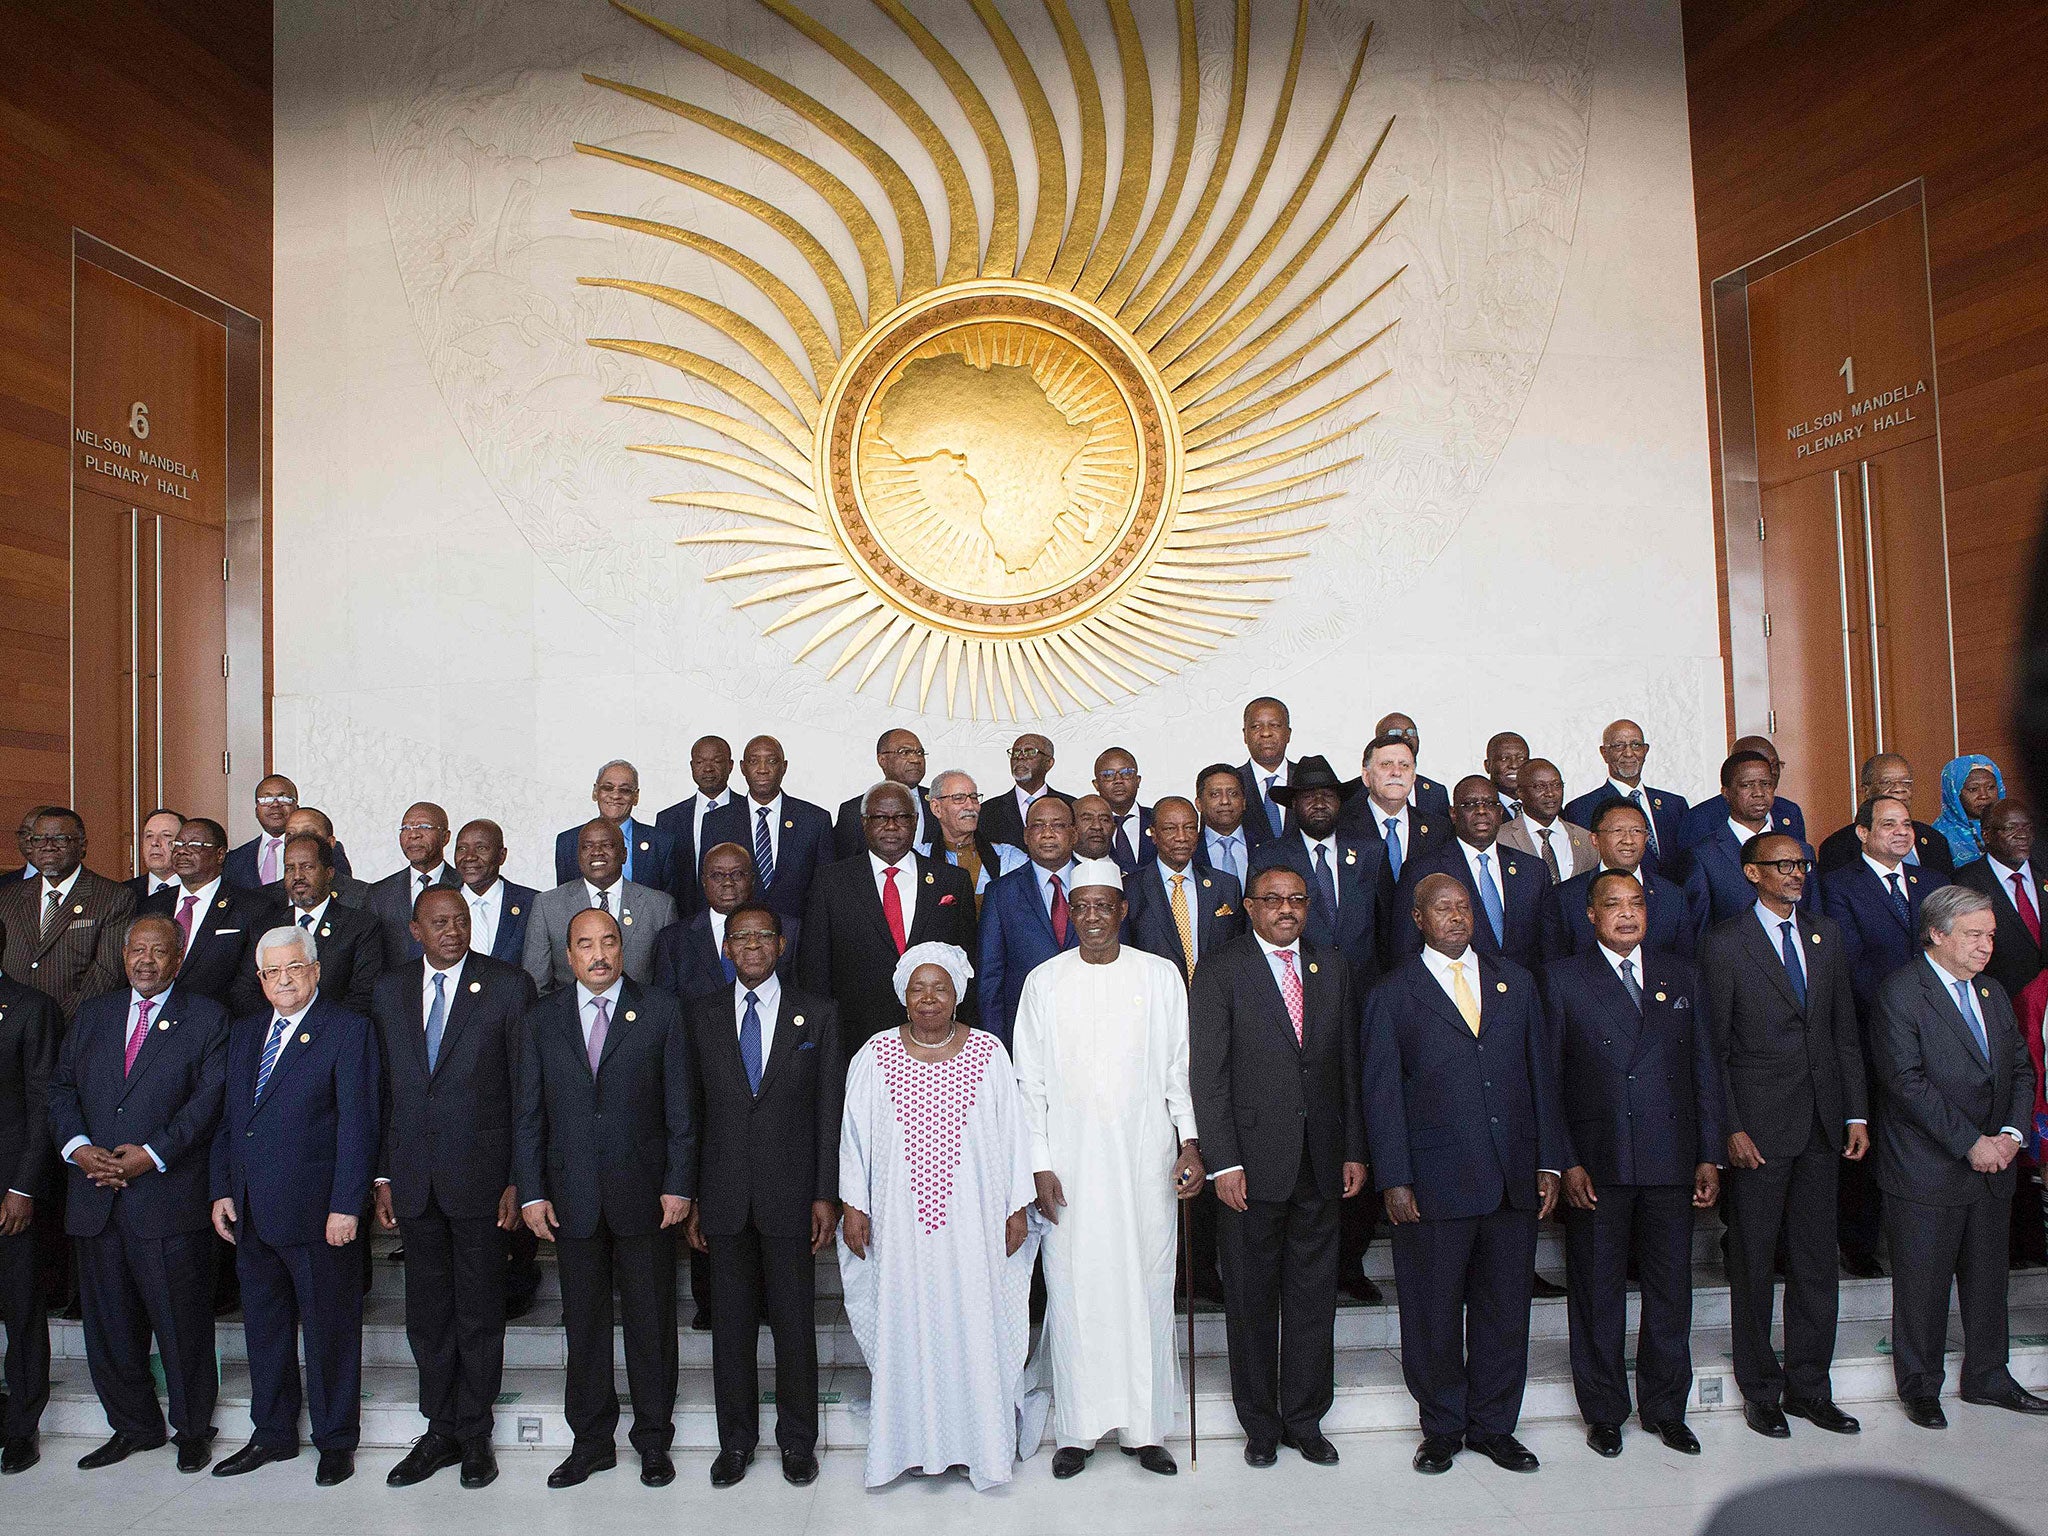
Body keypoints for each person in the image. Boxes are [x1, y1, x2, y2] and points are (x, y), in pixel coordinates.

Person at [1362, 874, 1563, 1475]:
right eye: (1441, 909)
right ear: (1418, 918)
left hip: (1509, 1178)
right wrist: (1394, 1177)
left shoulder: (1515, 981)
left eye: (1463, 907)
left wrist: (1548, 1161)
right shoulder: (1393, 991)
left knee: (1506, 1310)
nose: (1455, 917)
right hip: (1431, 1182)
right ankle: (1443, 1426)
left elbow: (1540, 1078)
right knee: (1433, 1311)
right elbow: (1381, 1093)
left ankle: (1496, 1426)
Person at [1013, 859, 1202, 1478]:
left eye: (1105, 905)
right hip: (1069, 1167)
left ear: (1123, 910)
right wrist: (1037, 1165)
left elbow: (1179, 1070)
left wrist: (1191, 1143)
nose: (1093, 917)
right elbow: (1029, 1083)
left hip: (1147, 1162)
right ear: (1071, 910)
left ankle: (1145, 1430)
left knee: (1148, 1287)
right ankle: (1077, 1429)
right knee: (1073, 1292)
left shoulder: (1161, 975)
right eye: (1083, 905)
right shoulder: (1044, 981)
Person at [838, 942, 1039, 1491]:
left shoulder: (990, 1053)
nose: (929, 999)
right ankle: (904, 1446)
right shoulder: (875, 1054)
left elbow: (1013, 1136)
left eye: (940, 988)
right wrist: (855, 1203)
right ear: (903, 994)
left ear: (958, 995)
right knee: (905, 1322)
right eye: (918, 988)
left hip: (974, 1222)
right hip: (898, 1227)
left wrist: (1017, 1205)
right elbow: (853, 1137)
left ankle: (978, 1446)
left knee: (975, 1321)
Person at [1189, 864, 1364, 1467]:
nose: (1286, 910)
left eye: (1296, 900)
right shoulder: (1219, 970)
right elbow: (1207, 1076)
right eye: (1273, 900)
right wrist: (1223, 1161)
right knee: (1251, 1297)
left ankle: (1306, 1419)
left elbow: (1345, 1067)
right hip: (1251, 1167)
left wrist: (1352, 1148)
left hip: (1320, 1161)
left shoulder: (1332, 965)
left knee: (1314, 1297)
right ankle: (1261, 1425)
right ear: (1249, 905)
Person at [515, 908, 693, 1489]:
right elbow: (528, 1115)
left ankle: (653, 1442)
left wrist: (679, 1182)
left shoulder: (662, 1009)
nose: (598, 954)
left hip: (645, 1194)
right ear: (567, 956)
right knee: (583, 1325)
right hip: (571, 1197)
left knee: (651, 1323)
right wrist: (533, 1191)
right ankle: (591, 1442)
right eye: (584, 944)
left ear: (624, 947)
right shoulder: (541, 1020)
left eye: (608, 942)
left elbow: (681, 1109)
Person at [1544, 872, 1720, 1458]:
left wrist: (1708, 1154)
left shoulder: (1681, 973)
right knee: (1597, 1293)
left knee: (1671, 1290)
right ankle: (1604, 1412)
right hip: (1598, 1164)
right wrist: (1564, 1162)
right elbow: (1547, 1084)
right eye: (1612, 905)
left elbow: (1704, 1072)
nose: (1626, 914)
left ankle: (1666, 1408)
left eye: (1636, 903)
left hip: (1671, 1160)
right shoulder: (1563, 979)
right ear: (1590, 916)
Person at [1700, 832, 1867, 1439]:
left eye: (1800, 864)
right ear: (1752, 873)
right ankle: (1761, 1390)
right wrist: (1731, 1126)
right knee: (1752, 1264)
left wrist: (1855, 1113)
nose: (1796, 873)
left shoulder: (1825, 934)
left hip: (1823, 1124)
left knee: (1816, 1264)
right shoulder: (1723, 943)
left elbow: (1842, 1029)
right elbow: (1712, 1050)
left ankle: (1809, 1389)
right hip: (1759, 1132)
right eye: (1782, 865)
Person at [371, 888, 537, 1489]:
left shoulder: (507, 985)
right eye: (439, 922)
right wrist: (384, 1174)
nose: (452, 931)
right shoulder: (388, 991)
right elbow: (385, 1090)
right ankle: (439, 1427)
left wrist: (520, 1177)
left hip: (484, 1180)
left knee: (479, 1310)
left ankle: (475, 1433)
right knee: (427, 1313)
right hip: (415, 1180)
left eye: (460, 920)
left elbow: (526, 1092)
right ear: (415, 930)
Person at [209, 924, 380, 1486]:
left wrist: (346, 1205)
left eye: (294, 969)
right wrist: (222, 1189)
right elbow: (230, 1121)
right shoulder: (244, 1032)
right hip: (252, 1212)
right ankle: (274, 1433)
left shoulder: (346, 1029)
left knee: (330, 1331)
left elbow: (359, 1123)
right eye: (272, 972)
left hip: (318, 1212)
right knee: (265, 1328)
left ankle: (335, 1440)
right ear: (260, 981)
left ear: (315, 970)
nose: (283, 980)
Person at [1871, 885, 2048, 1426]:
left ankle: (1988, 1376)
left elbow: (2021, 1069)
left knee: (1988, 1279)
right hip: (1928, 1168)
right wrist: (1972, 1142)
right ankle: (1921, 1386)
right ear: (1937, 934)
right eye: (1973, 935)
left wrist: (2013, 1136)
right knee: (1922, 1283)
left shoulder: (1993, 993)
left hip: (1995, 1164)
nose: (1985, 946)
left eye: (1990, 935)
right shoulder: (1901, 993)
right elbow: (1906, 1082)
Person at [53, 915, 224, 1474]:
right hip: (95, 1194)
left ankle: (192, 1429)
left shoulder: (206, 1017)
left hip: (166, 1197)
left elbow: (207, 1102)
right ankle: (134, 1427)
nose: (146, 961)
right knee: (108, 1326)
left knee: (181, 1325)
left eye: (158, 951)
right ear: (124, 956)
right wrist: (79, 1148)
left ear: (178, 957)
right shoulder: (95, 1014)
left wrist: (150, 1154)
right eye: (137, 951)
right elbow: (59, 1088)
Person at [683, 904, 842, 1489]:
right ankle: (736, 1444)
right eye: (740, 937)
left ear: (782, 945)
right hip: (722, 1197)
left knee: (795, 1327)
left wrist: (827, 1193)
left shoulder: (818, 1015)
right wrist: (693, 1193)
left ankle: (798, 1445)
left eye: (763, 937)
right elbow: (690, 1113)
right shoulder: (698, 1015)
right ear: (726, 948)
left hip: (793, 1195)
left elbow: (830, 1112)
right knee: (731, 1330)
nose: (751, 946)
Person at [1126, 796, 1244, 1303]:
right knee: (1163, 1147)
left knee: (1211, 1141)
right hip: (1153, 1040)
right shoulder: (1132, 890)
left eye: (1187, 828)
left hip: (1215, 1037)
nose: (1179, 836)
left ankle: (1204, 1268)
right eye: (1168, 828)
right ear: (1152, 833)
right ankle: (1166, 1269)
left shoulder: (1226, 887)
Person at [1822, 796, 1946, 1278]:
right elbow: (1849, 962)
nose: (1900, 832)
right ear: (1862, 833)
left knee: (1927, 1134)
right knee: (1866, 1138)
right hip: (1869, 1030)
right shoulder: (1837, 885)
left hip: (1935, 1033)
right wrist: (1904, 1013)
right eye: (1888, 824)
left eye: (1906, 824)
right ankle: (1859, 1244)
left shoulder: (1931, 883)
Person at [800, 782, 977, 1054]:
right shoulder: (831, 882)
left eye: (902, 817)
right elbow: (816, 971)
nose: (891, 826)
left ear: (916, 821)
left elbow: (968, 966)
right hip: (855, 1038)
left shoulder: (951, 882)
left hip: (937, 1039)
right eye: (880, 818)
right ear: (864, 823)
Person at [1249, 754, 1387, 998]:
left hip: (1365, 990)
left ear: (1340, 802)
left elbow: (1386, 927)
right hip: (1299, 989)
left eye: (1328, 795)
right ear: (1293, 804)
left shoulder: (1371, 851)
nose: (1320, 803)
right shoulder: (1270, 857)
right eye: (1309, 796)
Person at [0, 916, 57, 1473]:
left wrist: (23, 1186)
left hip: (8, 1192)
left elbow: (43, 1108)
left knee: (20, 1311)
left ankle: (21, 1427)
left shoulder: (28, 1008)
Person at [1391, 774, 1551, 973]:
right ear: (1453, 813)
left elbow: (1549, 948)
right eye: (1469, 804)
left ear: (1500, 812)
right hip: (1455, 991)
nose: (1481, 811)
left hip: (1522, 994)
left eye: (1490, 804)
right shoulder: (1422, 870)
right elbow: (1406, 948)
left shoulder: (1533, 870)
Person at [0, 806, 132, 1018]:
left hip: (74, 1026)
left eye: (60, 839)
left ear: (82, 846)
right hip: (13, 1028)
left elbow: (107, 974)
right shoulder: (7, 897)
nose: (48, 847)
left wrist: (53, 1021)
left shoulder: (113, 897)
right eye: (39, 839)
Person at [523, 819, 677, 993]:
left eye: (607, 845)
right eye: (587, 847)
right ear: (578, 855)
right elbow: (535, 985)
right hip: (569, 1017)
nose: (597, 852)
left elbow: (668, 987)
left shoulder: (660, 906)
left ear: (624, 854)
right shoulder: (547, 905)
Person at [137, 818, 270, 1018]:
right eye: (179, 844)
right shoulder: (153, 905)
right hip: (154, 1021)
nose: (182, 851)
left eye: (195, 845)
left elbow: (249, 983)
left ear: (220, 854)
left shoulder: (251, 907)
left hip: (221, 1022)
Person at [1541, 799, 1703, 962]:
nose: (1628, 840)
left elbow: (1685, 966)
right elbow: (1555, 969)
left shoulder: (1672, 896)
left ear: (1646, 838)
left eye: (1636, 831)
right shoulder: (1565, 897)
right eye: (1618, 831)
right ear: (1594, 839)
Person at [977, 797, 1080, 1045]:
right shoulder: (1001, 893)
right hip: (1025, 1033)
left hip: (1089, 1027)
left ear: (1074, 834)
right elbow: (990, 979)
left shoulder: (1097, 885)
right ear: (1025, 835)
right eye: (1038, 825)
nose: (1047, 834)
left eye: (1058, 825)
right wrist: (998, 1048)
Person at [701, 735, 834, 921]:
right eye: (754, 761)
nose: (762, 769)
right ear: (742, 768)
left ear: (784, 767)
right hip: (737, 937)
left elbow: (826, 890)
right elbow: (708, 885)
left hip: (799, 935)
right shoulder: (716, 821)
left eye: (771, 761)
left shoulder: (814, 820)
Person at [652, 841, 801, 1002]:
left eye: (737, 874)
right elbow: (666, 1006)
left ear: (752, 879)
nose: (728, 883)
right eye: (717, 875)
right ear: (703, 881)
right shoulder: (673, 939)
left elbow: (802, 997)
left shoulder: (789, 930)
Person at [1686, 751, 1817, 926]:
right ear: (1726, 793)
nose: (1759, 793)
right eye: (1747, 785)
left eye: (1766, 784)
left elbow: (1815, 920)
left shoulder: (1802, 850)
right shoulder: (1704, 856)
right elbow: (1700, 930)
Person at [1562, 719, 1691, 881]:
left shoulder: (1674, 804)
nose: (1629, 753)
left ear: (1645, 751)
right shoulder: (1581, 808)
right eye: (1619, 746)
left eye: (1636, 745)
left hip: (1669, 899)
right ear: (1604, 753)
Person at [277, 833, 383, 1015]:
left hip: (334, 1035)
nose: (297, 876)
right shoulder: (268, 926)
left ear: (329, 873)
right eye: (289, 869)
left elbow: (363, 994)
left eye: (307, 867)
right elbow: (246, 989)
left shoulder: (360, 926)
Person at [1335, 731, 1448, 885]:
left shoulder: (1439, 830)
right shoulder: (1341, 826)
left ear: (1414, 776)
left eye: (1405, 765)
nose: (1396, 772)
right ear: (1366, 777)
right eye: (1386, 764)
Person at [1816, 755, 1955, 876]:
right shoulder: (1837, 847)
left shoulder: (1934, 839)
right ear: (1866, 790)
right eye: (1887, 782)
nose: (1899, 789)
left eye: (1906, 783)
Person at [552, 759, 678, 893]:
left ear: (636, 797)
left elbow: (668, 905)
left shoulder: (662, 843)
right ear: (595, 792)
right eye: (608, 788)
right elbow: (565, 900)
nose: (616, 795)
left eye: (625, 790)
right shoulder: (568, 842)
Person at [364, 803, 460, 969]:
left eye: (424, 826)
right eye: (405, 828)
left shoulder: (463, 885)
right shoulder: (379, 894)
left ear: (445, 837)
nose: (413, 834)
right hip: (398, 990)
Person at [653, 734, 737, 915]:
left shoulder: (747, 811)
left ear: (730, 765)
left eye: (716, 761)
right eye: (700, 762)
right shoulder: (668, 819)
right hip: (685, 916)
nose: (708, 769)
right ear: (691, 767)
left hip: (737, 914)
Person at [1678, 736, 1807, 851]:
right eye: (1747, 784)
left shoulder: (1789, 811)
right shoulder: (1700, 818)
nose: (1772, 772)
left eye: (1774, 765)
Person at [832, 728, 940, 857]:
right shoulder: (853, 810)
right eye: (905, 752)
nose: (915, 759)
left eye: (919, 752)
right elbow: (844, 866)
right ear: (882, 760)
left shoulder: (941, 802)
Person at [927, 768, 1025, 909]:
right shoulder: (921, 858)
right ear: (936, 808)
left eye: (974, 797)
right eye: (959, 798)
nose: (970, 806)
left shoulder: (1009, 859)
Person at [451, 818, 534, 965]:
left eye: (481, 848)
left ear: (502, 855)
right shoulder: (442, 904)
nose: (469, 856)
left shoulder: (533, 903)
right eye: (462, 848)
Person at [1497, 759, 1594, 882]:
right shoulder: (1500, 838)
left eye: (1556, 785)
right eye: (1540, 786)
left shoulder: (1586, 839)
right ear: (1520, 792)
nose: (1550, 793)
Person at [978, 733, 1074, 852]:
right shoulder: (988, 811)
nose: (1020, 757)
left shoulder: (1071, 806)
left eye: (1029, 752)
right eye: (1016, 752)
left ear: (1049, 763)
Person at [1236, 696, 1297, 846]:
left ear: (1288, 734)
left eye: (1275, 725)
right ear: (1245, 735)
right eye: (1256, 726)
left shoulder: (1307, 780)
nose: (1265, 733)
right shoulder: (1232, 784)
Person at [224, 775, 300, 890]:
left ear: (297, 807)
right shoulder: (233, 860)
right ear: (256, 811)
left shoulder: (317, 851)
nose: (275, 804)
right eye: (266, 800)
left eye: (284, 798)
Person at [280, 808, 366, 906]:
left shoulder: (361, 896)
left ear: (331, 843)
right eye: (290, 835)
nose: (299, 841)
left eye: (309, 833)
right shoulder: (265, 899)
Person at [1933, 754, 2006, 867]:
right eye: (1973, 789)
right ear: (1954, 794)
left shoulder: (2012, 826)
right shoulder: (1937, 837)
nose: (1984, 796)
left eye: (1991, 787)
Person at [1375, 712, 1450, 819]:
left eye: (1411, 732)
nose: (1405, 736)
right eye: (1395, 732)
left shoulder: (1436, 793)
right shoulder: (1353, 792)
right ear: (1377, 740)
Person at [1194, 762, 1253, 889]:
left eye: (1233, 794)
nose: (1225, 801)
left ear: (1243, 802)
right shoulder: (1190, 850)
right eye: (1215, 794)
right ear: (1199, 804)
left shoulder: (1265, 846)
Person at [1095, 748, 1153, 871]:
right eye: (1108, 775)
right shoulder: (1085, 827)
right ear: (1096, 784)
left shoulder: (1157, 820)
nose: (1118, 780)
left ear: (1138, 781)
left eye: (1126, 773)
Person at [122, 808, 184, 905]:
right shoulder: (123, 894)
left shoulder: (195, 891)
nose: (155, 842)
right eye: (149, 836)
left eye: (166, 835)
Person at [1483, 732, 1529, 819]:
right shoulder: (1480, 809)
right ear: (1488, 766)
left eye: (1521, 758)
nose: (1514, 765)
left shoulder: (1544, 806)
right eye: (1504, 758)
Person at [1071, 794, 1117, 862]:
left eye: (1104, 820)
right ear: (1072, 828)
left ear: (1113, 829)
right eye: (1087, 819)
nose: (1097, 826)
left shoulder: (1130, 870)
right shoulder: (1058, 869)